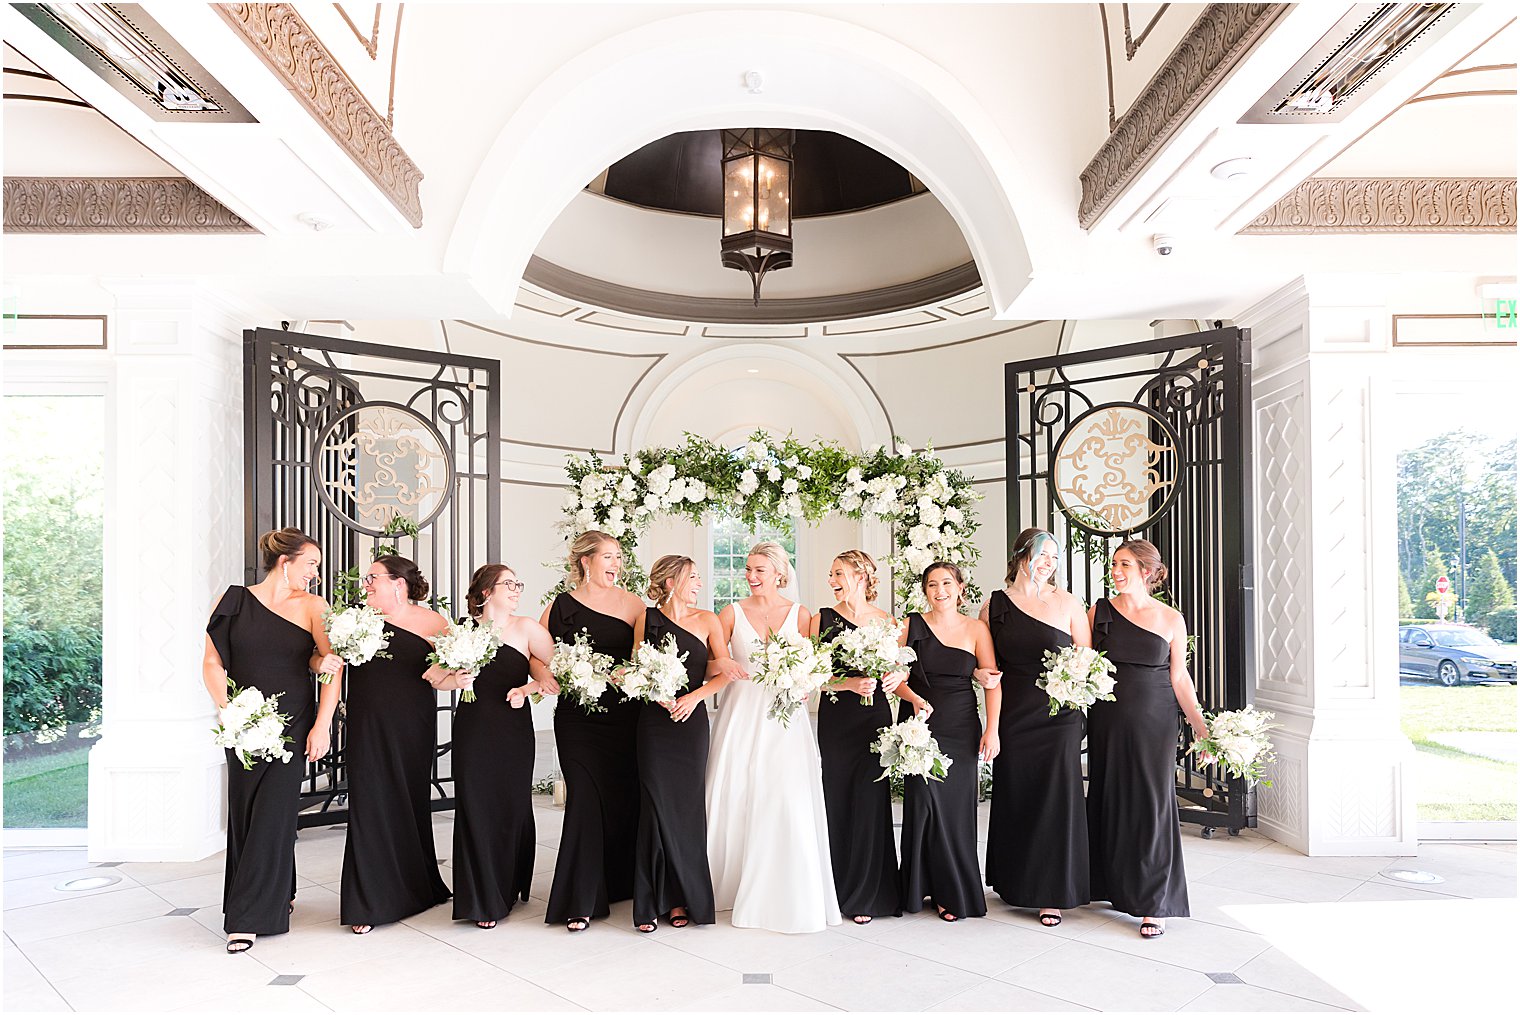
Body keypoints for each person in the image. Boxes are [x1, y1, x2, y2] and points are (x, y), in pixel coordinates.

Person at [204, 527, 343, 954]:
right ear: (286, 563)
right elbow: (211, 662)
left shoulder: (315, 607)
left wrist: (322, 726)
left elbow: (328, 665)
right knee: (248, 815)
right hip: (244, 726)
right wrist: (231, 711)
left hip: (293, 723)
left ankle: (247, 917)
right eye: (311, 564)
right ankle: (281, 888)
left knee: (274, 814)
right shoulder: (233, 600)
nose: (316, 574)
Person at [706, 541, 841, 933]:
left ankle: (783, 885)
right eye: (747, 569)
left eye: (759, 570)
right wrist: (725, 662)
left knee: (784, 794)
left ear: (780, 574)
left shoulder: (801, 615)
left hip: (784, 717)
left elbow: (816, 667)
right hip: (741, 711)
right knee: (735, 790)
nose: (750, 576)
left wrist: (804, 687)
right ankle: (725, 886)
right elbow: (710, 659)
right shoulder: (730, 613)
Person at [1086, 539, 1210, 938]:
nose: (1116, 570)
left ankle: (1152, 902)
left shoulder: (1171, 619)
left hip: (1155, 721)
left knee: (1152, 804)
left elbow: (1179, 677)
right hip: (1107, 720)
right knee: (1109, 797)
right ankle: (1107, 885)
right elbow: (1082, 666)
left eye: (1124, 564)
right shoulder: (1098, 611)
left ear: (1146, 570)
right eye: (1114, 563)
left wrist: (1200, 725)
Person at [425, 564, 556, 929]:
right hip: (472, 729)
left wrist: (526, 690)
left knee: (509, 805)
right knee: (476, 808)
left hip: (512, 731)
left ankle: (508, 885)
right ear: (486, 592)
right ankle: (481, 897)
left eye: (518, 583)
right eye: (509, 584)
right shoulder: (461, 632)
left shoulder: (527, 628)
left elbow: (555, 671)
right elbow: (433, 677)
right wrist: (456, 678)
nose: (516, 589)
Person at [982, 528, 1093, 926]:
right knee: (1018, 794)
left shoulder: (1068, 603)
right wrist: (982, 677)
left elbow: (1087, 659)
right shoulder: (993, 607)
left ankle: (1052, 892)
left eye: (1054, 557)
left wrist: (1074, 683)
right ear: (1021, 556)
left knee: (1056, 798)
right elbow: (988, 666)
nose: (1048, 563)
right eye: (1042, 554)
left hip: (1059, 716)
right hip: (1014, 714)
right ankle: (1016, 881)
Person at [340, 555, 452, 934]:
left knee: (409, 801)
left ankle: (418, 889)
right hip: (367, 725)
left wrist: (446, 673)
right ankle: (369, 902)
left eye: (372, 578)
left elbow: (456, 668)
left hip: (412, 726)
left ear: (398, 583)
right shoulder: (355, 619)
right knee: (369, 804)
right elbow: (328, 661)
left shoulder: (433, 623)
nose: (366, 584)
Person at [540, 530, 646, 932]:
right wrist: (546, 677)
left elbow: (642, 658)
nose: (616, 564)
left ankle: (621, 884)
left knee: (624, 797)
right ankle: (580, 899)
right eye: (608, 556)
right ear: (586, 561)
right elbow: (538, 652)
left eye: (619, 556)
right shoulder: (560, 606)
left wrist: (627, 673)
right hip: (577, 719)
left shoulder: (633, 604)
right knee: (584, 799)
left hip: (624, 716)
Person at [631, 554, 736, 932]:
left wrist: (694, 699)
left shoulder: (708, 621)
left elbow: (724, 671)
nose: (700, 584)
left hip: (690, 724)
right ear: (673, 580)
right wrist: (654, 692)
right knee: (653, 809)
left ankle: (682, 900)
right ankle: (649, 903)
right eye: (693, 577)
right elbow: (636, 666)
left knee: (686, 809)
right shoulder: (648, 618)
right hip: (654, 722)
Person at [898, 562, 1000, 922]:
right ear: (924, 590)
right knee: (923, 804)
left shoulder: (977, 629)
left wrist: (993, 730)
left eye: (945, 583)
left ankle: (950, 890)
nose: (939, 590)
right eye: (931, 585)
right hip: (920, 722)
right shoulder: (911, 625)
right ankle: (918, 887)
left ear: (960, 587)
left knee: (955, 810)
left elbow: (992, 681)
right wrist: (914, 699)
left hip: (960, 723)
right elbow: (894, 676)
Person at [808, 550, 904, 924]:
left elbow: (898, 672)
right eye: (831, 573)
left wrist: (896, 679)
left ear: (861, 576)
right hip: (836, 718)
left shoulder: (886, 621)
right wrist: (847, 682)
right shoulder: (822, 619)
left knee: (870, 800)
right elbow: (813, 674)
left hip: (873, 718)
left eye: (838, 573)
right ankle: (836, 890)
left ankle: (870, 892)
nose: (832, 580)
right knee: (836, 796)